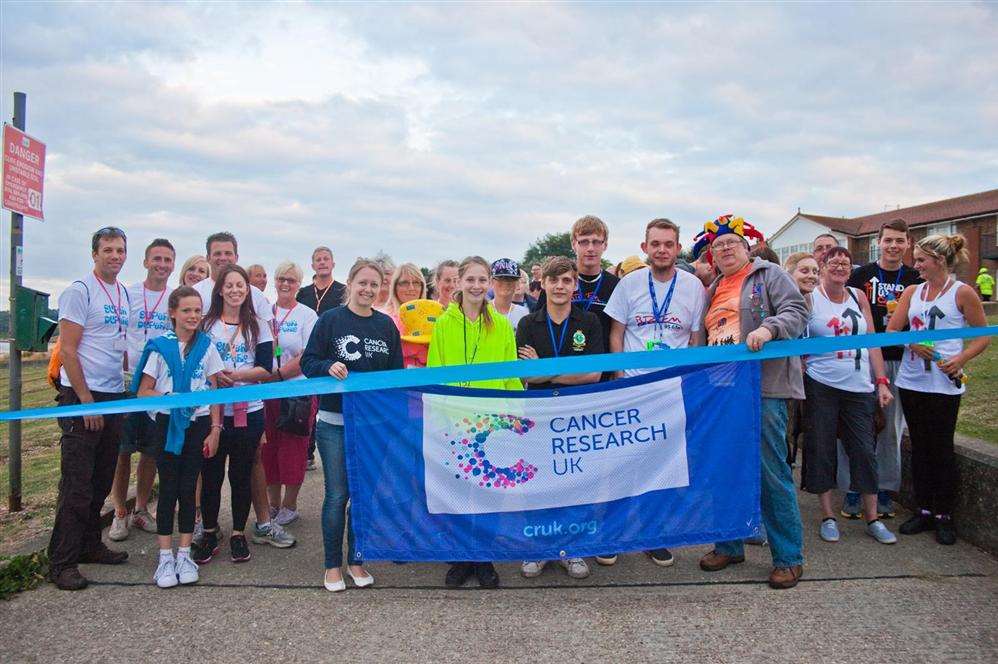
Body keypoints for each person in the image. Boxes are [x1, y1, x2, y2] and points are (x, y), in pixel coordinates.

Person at [695, 215, 809, 590]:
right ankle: (729, 544)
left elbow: (796, 312)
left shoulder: (769, 275)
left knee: (771, 471)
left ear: (747, 248)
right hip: (722, 391)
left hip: (762, 388)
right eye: (718, 247)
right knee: (725, 469)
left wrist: (768, 328)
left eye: (732, 243)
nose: (725, 250)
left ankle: (789, 557)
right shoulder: (713, 288)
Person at [600, 218, 707, 568]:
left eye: (668, 244)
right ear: (645, 247)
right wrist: (619, 378)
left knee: (663, 465)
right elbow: (616, 332)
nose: (662, 250)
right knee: (621, 462)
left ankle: (654, 534)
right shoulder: (629, 284)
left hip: (670, 391)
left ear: (678, 249)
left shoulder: (693, 287)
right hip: (632, 389)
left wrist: (688, 380)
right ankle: (613, 534)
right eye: (655, 244)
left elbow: (693, 339)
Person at [302, 259, 403, 592]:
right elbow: (308, 362)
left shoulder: (386, 326)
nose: (368, 290)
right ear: (351, 284)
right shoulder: (330, 321)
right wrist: (328, 365)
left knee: (364, 496)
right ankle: (332, 565)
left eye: (374, 285)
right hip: (334, 423)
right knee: (337, 494)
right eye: (363, 283)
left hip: (372, 426)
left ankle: (356, 559)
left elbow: (396, 377)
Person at [427, 256, 522, 589]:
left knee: (488, 493)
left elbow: (511, 375)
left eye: (483, 280)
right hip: (455, 424)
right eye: (471, 279)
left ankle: (483, 556)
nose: (477, 286)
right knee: (456, 492)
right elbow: (434, 374)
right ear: (459, 282)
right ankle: (460, 556)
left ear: (490, 283)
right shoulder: (443, 324)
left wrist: (515, 416)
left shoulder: (501, 324)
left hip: (492, 424)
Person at [192, 232, 292, 548]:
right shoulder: (200, 304)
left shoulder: (257, 310)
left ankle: (253, 527)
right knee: (208, 469)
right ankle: (203, 528)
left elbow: (267, 362)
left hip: (249, 408)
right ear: (208, 257)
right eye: (217, 253)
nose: (223, 258)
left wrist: (237, 375)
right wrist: (214, 376)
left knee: (247, 467)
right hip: (212, 409)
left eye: (228, 253)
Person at [890, 234, 990, 545]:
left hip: (944, 382)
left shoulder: (963, 293)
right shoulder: (912, 292)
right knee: (919, 446)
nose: (915, 265)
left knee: (941, 448)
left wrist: (959, 359)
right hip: (912, 379)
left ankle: (944, 514)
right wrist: (911, 341)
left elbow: (982, 336)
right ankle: (923, 509)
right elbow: (893, 330)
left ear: (939, 261)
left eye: (921, 260)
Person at [47, 227, 131, 591]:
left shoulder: (122, 292)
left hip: (113, 395)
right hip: (83, 395)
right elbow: (68, 350)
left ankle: (90, 544)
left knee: (101, 477)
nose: (115, 256)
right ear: (94, 254)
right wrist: (85, 401)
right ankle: (62, 562)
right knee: (77, 484)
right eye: (108, 250)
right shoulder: (78, 291)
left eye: (120, 250)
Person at [516, 256, 604, 580]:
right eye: (554, 280)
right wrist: (559, 373)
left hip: (576, 414)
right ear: (543, 285)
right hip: (537, 413)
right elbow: (527, 377)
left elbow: (593, 374)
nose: (560, 286)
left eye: (567, 280)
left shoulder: (589, 322)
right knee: (538, 481)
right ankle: (539, 548)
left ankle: (574, 548)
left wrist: (547, 371)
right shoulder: (528, 323)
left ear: (574, 285)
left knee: (574, 479)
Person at [802, 247, 897, 545]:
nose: (840, 268)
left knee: (864, 451)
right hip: (822, 384)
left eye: (845, 264)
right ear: (822, 266)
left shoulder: (858, 296)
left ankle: (873, 518)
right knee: (822, 449)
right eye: (834, 263)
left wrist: (881, 381)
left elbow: (872, 342)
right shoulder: (810, 298)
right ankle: (828, 516)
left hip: (858, 386)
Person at [134, 286, 224, 588]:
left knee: (188, 489)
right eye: (186, 310)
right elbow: (144, 390)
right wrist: (170, 397)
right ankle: (165, 557)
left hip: (197, 425)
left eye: (198, 311)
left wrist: (214, 429)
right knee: (169, 489)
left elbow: (214, 391)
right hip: (165, 426)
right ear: (173, 313)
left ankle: (184, 553)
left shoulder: (208, 347)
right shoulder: (160, 348)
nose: (193, 316)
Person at [840, 219, 922, 519]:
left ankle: (885, 489)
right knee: (855, 427)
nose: (893, 246)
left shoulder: (915, 279)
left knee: (889, 428)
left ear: (908, 243)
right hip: (860, 360)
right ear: (879, 241)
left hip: (900, 360)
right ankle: (852, 488)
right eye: (888, 240)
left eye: (900, 241)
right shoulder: (861, 276)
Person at [109, 239, 176, 542]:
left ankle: (141, 509)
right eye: (157, 259)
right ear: (146, 261)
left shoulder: (174, 298)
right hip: (125, 382)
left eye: (167, 260)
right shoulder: (128, 293)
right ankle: (119, 512)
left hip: (157, 386)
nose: (162, 265)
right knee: (121, 451)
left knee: (150, 452)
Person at [263, 262, 319, 526]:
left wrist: (279, 375)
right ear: (274, 281)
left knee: (294, 448)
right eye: (281, 278)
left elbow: (307, 354)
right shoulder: (265, 312)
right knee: (268, 447)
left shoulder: (307, 315)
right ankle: (272, 503)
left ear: (299, 283)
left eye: (291, 280)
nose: (285, 284)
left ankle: (290, 504)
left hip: (298, 391)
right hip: (267, 391)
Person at [386, 263, 435, 368]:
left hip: (428, 380)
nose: (411, 288)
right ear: (394, 287)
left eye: (417, 283)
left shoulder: (434, 317)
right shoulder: (385, 319)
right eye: (405, 283)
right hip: (397, 380)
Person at [297, 246, 346, 316]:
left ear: (333, 264)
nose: (322, 262)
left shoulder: (344, 291)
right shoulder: (302, 293)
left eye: (326, 259)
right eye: (318, 260)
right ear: (313, 266)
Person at [490, 258, 530, 330]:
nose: (506, 283)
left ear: (517, 284)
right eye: (501, 278)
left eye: (511, 279)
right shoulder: (481, 311)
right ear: (491, 282)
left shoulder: (524, 313)